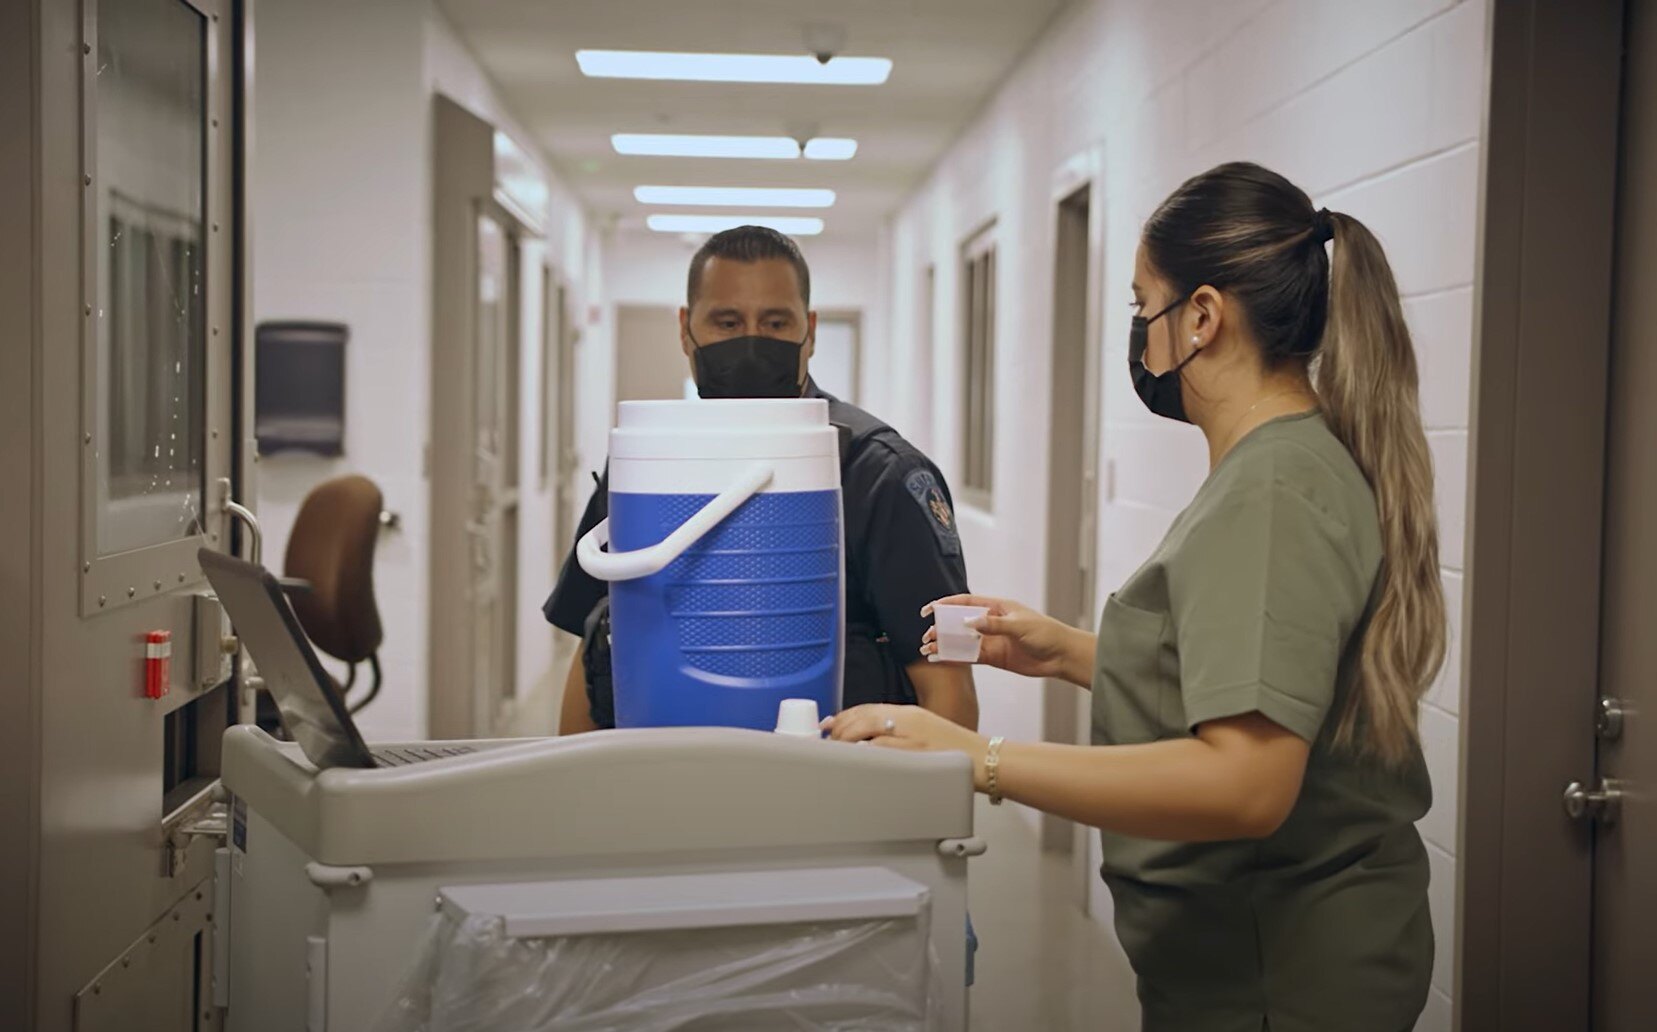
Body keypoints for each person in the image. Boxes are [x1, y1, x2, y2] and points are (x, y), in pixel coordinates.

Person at [826, 162, 1447, 1031]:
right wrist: (1069, 652)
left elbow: (1247, 782)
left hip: (1279, 974)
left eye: (1141, 305)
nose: (1140, 335)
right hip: (1258, 957)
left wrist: (976, 756)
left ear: (1201, 316)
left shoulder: (1274, 489)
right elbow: (1258, 680)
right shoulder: (1280, 464)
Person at [545, 225, 979, 736]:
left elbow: (948, 687)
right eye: (727, 322)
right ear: (686, 329)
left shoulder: (880, 475)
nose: (751, 342)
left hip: (841, 795)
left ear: (809, 330)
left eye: (775, 323)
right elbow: (592, 642)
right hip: (660, 786)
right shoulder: (646, 461)